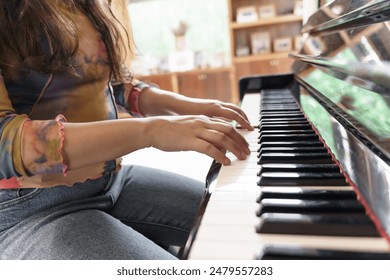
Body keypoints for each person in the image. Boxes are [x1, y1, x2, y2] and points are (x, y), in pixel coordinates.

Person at [0, 0, 252, 260]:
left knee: (245, 221)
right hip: (30, 208)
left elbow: (110, 85)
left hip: (111, 180)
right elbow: (3, 145)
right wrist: (151, 131)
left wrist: (189, 106)